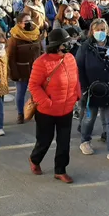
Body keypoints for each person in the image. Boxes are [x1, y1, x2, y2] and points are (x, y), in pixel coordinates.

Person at [28, 29, 80, 183]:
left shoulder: (70, 58)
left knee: (64, 141)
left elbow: (76, 78)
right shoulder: (41, 62)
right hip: (47, 111)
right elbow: (33, 85)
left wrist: (77, 94)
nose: (69, 46)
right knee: (45, 140)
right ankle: (34, 159)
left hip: (67, 108)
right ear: (57, 45)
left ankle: (60, 170)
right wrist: (46, 102)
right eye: (66, 44)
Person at [76, 19, 109, 164]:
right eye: (97, 29)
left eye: (103, 29)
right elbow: (78, 69)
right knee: (89, 118)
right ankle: (85, 140)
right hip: (91, 92)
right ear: (92, 31)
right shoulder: (85, 47)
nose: (100, 32)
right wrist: (84, 89)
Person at [7, 12, 42, 124]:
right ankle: (20, 114)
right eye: (26, 22)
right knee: (21, 92)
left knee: (36, 93)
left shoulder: (36, 34)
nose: (29, 23)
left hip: (36, 69)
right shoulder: (15, 38)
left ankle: (35, 112)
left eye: (30, 21)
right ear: (19, 24)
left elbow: (41, 51)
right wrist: (14, 73)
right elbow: (11, 58)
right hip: (22, 70)